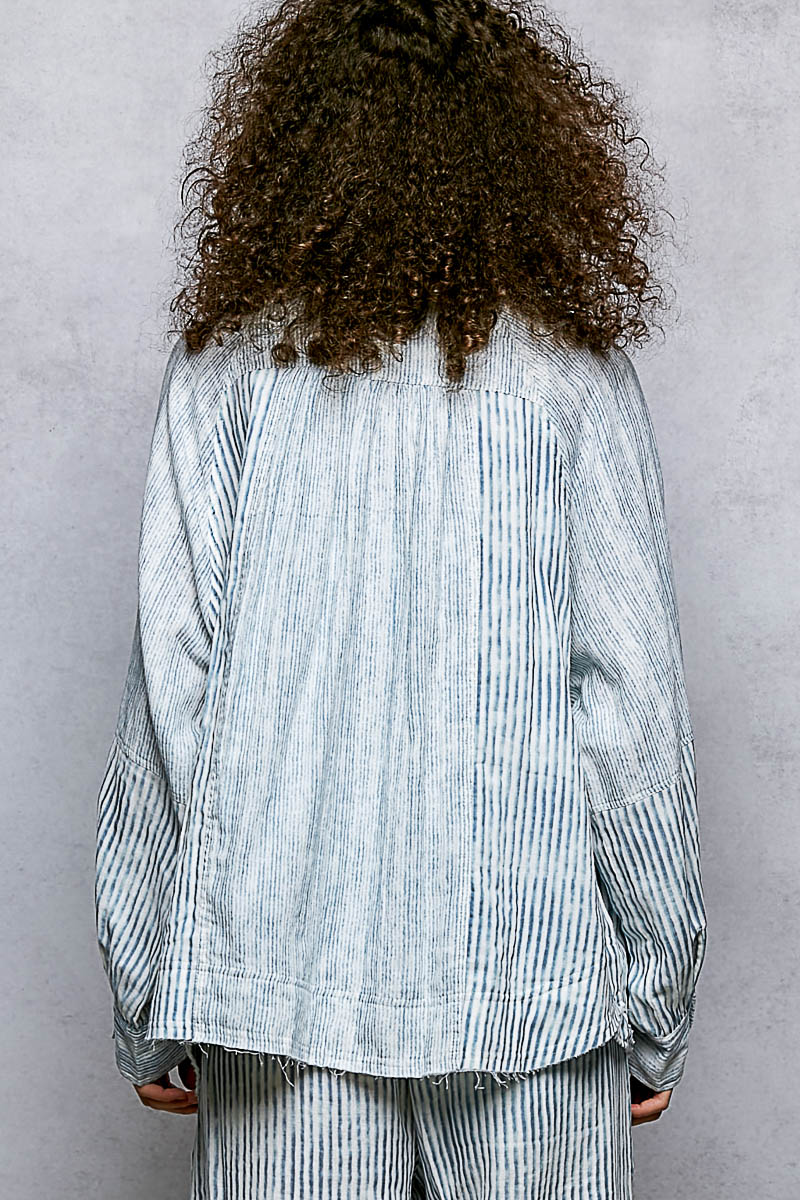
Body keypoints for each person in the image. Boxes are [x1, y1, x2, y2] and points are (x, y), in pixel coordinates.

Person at [93, 0, 708, 1195]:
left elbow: (174, 694)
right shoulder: (571, 378)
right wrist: (654, 998)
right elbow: (629, 714)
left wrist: (149, 991)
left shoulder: (225, 369)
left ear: (291, 143)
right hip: (531, 989)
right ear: (521, 149)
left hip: (278, 988)